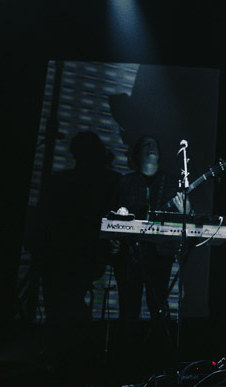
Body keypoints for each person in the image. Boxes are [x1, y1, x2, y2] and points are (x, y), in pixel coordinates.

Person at [32, 131, 120, 329]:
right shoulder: (62, 181)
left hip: (83, 254)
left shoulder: (109, 181)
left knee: (63, 303)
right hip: (64, 254)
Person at [112, 135, 191, 328]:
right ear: (137, 154)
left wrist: (185, 210)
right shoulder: (125, 182)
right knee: (128, 307)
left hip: (159, 253)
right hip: (129, 253)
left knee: (158, 305)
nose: (150, 147)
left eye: (154, 144)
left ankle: (158, 350)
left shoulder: (172, 182)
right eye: (146, 144)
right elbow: (112, 214)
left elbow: (189, 216)